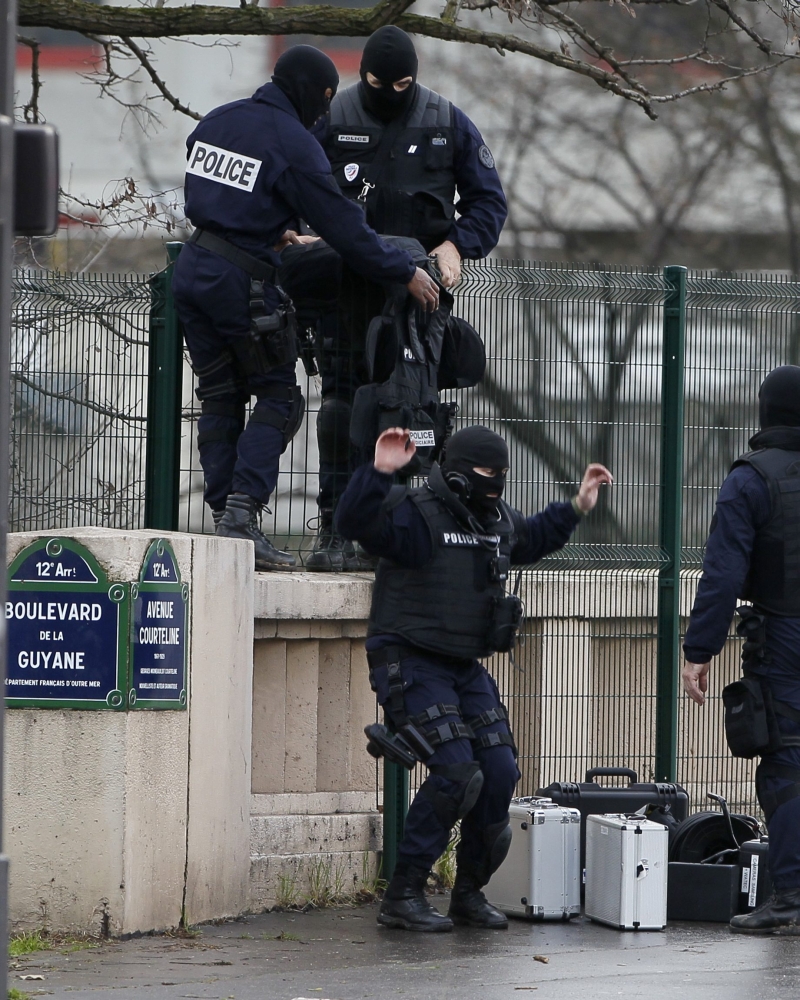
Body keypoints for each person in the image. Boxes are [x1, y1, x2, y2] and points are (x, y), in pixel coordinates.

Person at [172, 45, 439, 571]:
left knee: (221, 395)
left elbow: (232, 187)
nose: (323, 112)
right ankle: (243, 518)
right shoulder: (295, 143)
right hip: (241, 281)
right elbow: (345, 227)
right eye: (323, 100)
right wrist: (404, 271)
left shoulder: (220, 120)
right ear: (312, 92)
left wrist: (271, 224)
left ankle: (227, 519)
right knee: (278, 397)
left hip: (194, 267)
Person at [335, 424, 613, 931]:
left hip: (462, 664)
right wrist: (379, 471)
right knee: (457, 773)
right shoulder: (415, 514)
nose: (495, 482)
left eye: (502, 474)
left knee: (500, 772)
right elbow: (354, 520)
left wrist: (576, 506)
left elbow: (531, 538)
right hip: (409, 657)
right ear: (458, 471)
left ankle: (469, 894)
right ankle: (404, 894)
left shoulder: (495, 519)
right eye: (486, 472)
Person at [295, 26, 508, 572]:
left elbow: (488, 201)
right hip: (346, 289)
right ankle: (336, 531)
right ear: (361, 74)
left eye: (402, 83)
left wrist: (458, 244)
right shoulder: (331, 120)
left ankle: (407, 533)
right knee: (343, 408)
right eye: (376, 82)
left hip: (421, 297)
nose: (389, 91)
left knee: (416, 413)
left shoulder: (446, 120)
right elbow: (291, 191)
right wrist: (305, 234)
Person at [683, 365, 800, 935]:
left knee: (786, 767)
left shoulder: (751, 479)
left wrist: (698, 650)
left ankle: (792, 898)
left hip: (784, 638)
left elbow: (722, 573)